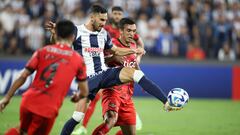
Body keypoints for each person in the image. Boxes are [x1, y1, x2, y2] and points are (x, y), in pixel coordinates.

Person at [46, 4, 179, 135]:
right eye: (101, 20)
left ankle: (166, 102)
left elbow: (115, 50)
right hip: (87, 80)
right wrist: (53, 35)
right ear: (92, 17)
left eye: (105, 20)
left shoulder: (103, 34)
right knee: (77, 117)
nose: (104, 23)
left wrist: (133, 50)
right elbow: (59, 44)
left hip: (103, 74)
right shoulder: (76, 31)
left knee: (135, 73)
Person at [0, 20, 89, 135]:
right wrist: (77, 96)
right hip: (47, 109)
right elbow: (85, 91)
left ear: (56, 34)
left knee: (21, 131)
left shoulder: (42, 51)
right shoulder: (77, 59)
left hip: (27, 101)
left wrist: (7, 98)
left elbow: (23, 75)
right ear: (73, 37)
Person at [72, 6, 143, 135]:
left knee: (123, 100)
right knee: (95, 98)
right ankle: (83, 126)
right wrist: (112, 57)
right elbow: (107, 51)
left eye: (119, 14)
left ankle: (129, 116)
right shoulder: (106, 30)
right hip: (104, 69)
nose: (116, 16)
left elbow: (140, 45)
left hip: (121, 74)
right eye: (114, 13)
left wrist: (137, 58)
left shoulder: (129, 32)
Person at [92, 17, 143, 135]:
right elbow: (100, 62)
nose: (132, 34)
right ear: (121, 31)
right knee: (110, 119)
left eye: (134, 31)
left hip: (127, 96)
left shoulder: (133, 46)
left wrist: (143, 80)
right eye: (129, 30)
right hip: (112, 91)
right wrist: (113, 58)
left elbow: (134, 64)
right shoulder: (112, 44)